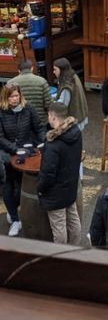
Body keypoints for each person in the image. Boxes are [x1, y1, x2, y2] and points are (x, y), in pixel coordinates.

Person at [0, 83, 45, 236]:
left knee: (21, 187)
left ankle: (13, 208)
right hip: (7, 154)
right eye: (12, 96)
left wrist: (42, 142)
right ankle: (15, 219)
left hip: (26, 152)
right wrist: (14, 149)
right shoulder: (1, 112)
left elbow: (39, 127)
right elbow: (0, 137)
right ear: (6, 97)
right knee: (7, 186)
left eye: (17, 95)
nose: (15, 98)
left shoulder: (28, 108)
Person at [36, 101, 82, 246]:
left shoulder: (53, 144)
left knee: (59, 226)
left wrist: (40, 189)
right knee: (73, 220)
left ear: (53, 116)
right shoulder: (76, 133)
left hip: (55, 193)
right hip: (70, 186)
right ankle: (74, 250)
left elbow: (48, 174)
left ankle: (60, 257)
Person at [8, 59, 52, 127]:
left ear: (19, 70)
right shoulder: (42, 81)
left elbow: (7, 105)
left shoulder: (10, 83)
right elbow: (49, 104)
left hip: (20, 123)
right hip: (41, 121)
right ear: (32, 68)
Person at [52, 58, 88, 132]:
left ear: (61, 70)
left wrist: (51, 103)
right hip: (80, 115)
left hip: (74, 119)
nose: (53, 72)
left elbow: (62, 105)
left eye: (55, 69)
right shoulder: (73, 76)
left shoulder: (66, 85)